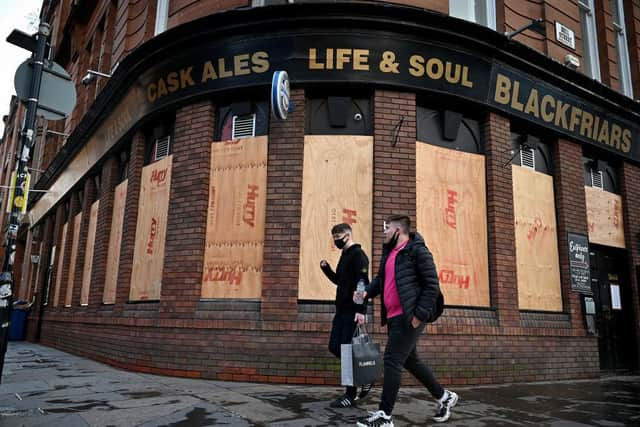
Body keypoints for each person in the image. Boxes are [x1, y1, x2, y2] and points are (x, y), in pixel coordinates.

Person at [355, 214, 458, 426]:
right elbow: (381, 279)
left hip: (408, 317)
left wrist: (418, 317)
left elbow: (432, 286)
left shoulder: (417, 251)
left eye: (387, 228)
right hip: (393, 317)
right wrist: (366, 294)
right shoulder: (390, 253)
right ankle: (444, 396)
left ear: (398, 231)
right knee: (410, 361)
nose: (383, 231)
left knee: (392, 360)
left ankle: (385, 416)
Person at [320, 223, 371, 408]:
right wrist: (326, 269)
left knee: (347, 351)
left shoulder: (359, 256)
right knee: (335, 347)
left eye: (338, 236)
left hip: (352, 310)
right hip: (341, 310)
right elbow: (339, 281)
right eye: (333, 237)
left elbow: (362, 283)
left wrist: (361, 310)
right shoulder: (345, 255)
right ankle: (363, 376)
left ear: (348, 235)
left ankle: (350, 394)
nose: (336, 240)